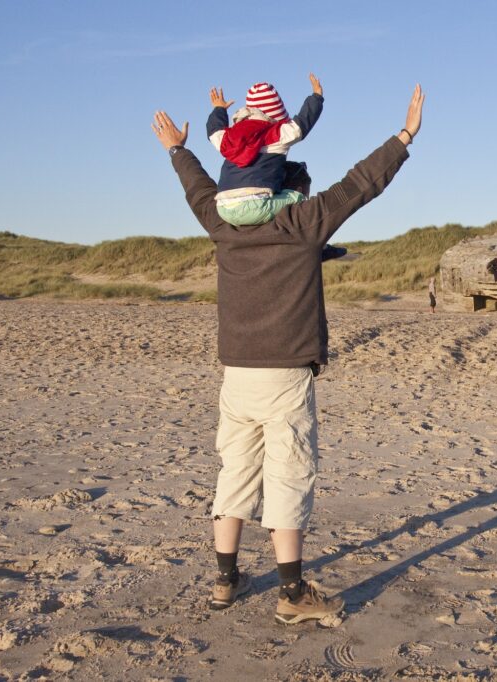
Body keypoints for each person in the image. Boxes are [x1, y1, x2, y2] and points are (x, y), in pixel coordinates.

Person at [151, 83, 425, 624]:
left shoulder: (222, 225)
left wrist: (178, 150)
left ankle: (225, 581)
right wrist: (405, 134)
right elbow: (360, 185)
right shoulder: (302, 224)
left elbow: (198, 190)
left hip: (237, 372)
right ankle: (292, 593)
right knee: (290, 475)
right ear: (286, 184)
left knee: (234, 471)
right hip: (285, 375)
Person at [207, 75, 323, 227]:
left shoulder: (229, 137)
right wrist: (316, 97)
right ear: (277, 116)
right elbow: (300, 126)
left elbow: (214, 131)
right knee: (297, 197)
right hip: (256, 207)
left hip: (223, 208)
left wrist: (219, 109)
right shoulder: (275, 134)